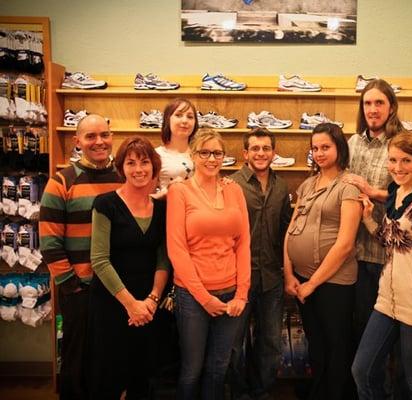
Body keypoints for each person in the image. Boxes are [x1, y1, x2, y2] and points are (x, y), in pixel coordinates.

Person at [352, 133, 412, 400]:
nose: (397, 167)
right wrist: (369, 220)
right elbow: (396, 242)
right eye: (392, 160)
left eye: (406, 160)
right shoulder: (397, 191)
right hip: (387, 299)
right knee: (362, 369)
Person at [39, 114, 123, 400]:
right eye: (90, 136)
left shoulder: (124, 178)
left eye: (104, 135)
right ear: (77, 142)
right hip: (80, 287)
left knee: (110, 359)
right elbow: (49, 241)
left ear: (112, 137)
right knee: (76, 359)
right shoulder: (61, 181)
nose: (99, 142)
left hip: (117, 288)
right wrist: (70, 283)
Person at [166, 128, 251, 400]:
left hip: (230, 294)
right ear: (193, 155)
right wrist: (204, 298)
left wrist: (241, 294)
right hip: (192, 296)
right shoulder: (179, 191)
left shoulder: (234, 190)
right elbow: (176, 250)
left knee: (218, 367)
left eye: (217, 153)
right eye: (205, 152)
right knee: (192, 368)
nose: (212, 159)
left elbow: (243, 244)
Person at [283, 123, 362, 400]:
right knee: (316, 345)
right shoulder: (308, 184)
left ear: (339, 148)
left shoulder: (348, 186)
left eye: (325, 147)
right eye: (315, 148)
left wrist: (312, 284)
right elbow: (291, 230)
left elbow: (345, 244)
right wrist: (289, 275)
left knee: (337, 347)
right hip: (303, 280)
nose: (319, 153)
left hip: (334, 282)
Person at [88, 136, 169, 399]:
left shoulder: (161, 208)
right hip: (113, 303)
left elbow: (163, 258)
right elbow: (99, 259)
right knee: (110, 376)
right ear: (121, 167)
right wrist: (131, 304)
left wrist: (152, 300)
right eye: (131, 163)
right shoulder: (105, 204)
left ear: (154, 167)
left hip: (149, 304)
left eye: (145, 162)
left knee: (142, 376)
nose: (138, 169)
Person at [229, 127, 293, 400]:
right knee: (233, 343)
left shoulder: (281, 187)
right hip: (236, 278)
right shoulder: (232, 185)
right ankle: (237, 392)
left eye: (266, 148)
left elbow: (286, 231)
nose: (261, 153)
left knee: (270, 343)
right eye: (255, 148)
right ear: (245, 154)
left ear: (274, 153)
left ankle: (260, 391)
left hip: (271, 277)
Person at [344, 78, 405, 340]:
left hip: (386, 255)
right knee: (358, 329)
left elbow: (409, 196)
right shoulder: (353, 143)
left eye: (379, 102)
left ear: (391, 107)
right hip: (352, 252)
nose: (373, 109)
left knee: (385, 335)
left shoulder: (401, 144)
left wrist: (371, 192)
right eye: (367, 103)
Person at [154, 97, 198, 196]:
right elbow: (148, 194)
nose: (185, 120)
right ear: (167, 119)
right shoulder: (156, 155)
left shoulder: (201, 153)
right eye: (178, 115)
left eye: (190, 117)